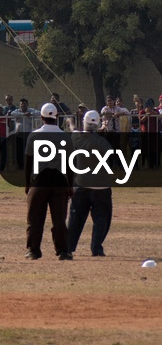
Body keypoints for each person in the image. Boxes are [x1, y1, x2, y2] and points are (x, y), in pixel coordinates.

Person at [24, 102, 73, 260]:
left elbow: (28, 163)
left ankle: (33, 250)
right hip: (59, 182)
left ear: (41, 117)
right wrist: (70, 185)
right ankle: (63, 251)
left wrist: (27, 184)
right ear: (57, 117)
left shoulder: (34, 135)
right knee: (59, 219)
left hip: (39, 181)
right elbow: (69, 164)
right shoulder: (65, 136)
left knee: (35, 219)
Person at [67, 109, 113, 258]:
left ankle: (68, 247)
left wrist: (70, 122)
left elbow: (74, 130)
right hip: (101, 186)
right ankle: (97, 248)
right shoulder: (103, 142)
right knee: (101, 218)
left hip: (81, 183)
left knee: (76, 217)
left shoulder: (77, 138)